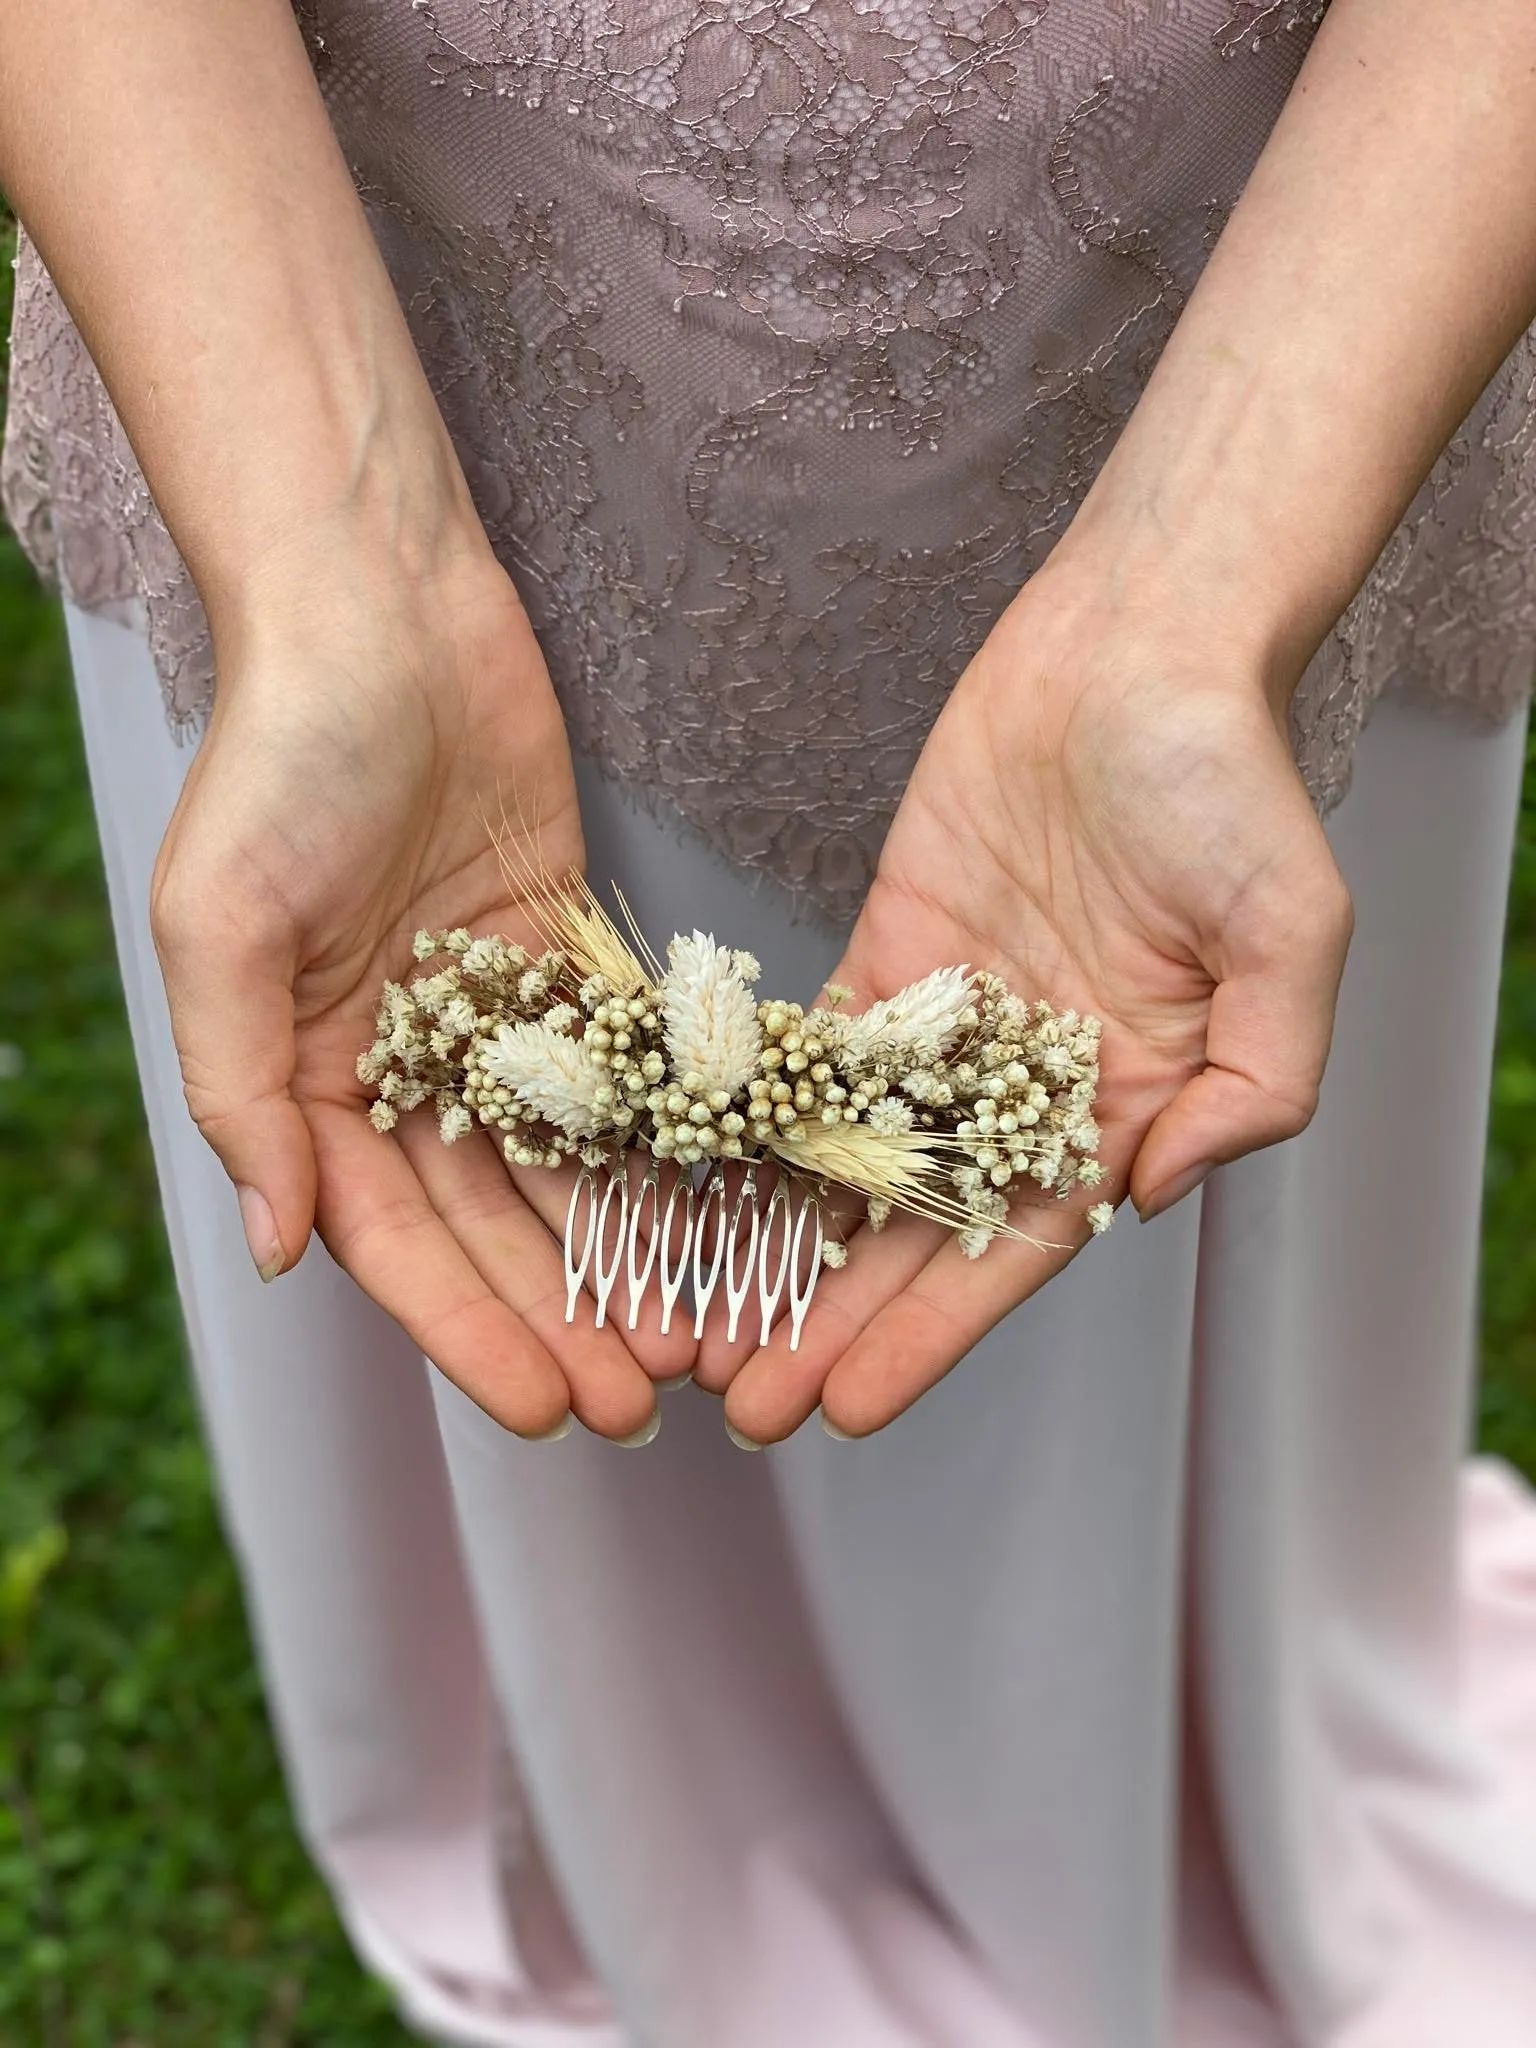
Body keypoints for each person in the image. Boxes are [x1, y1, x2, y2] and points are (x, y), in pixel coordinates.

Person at [5, 1, 1536, 2041]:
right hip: (335, 240)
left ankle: (1195, 1735)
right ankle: (611, 1762)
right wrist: (324, 545)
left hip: (1300, 237)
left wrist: (1206, 587)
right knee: (536, 1233)